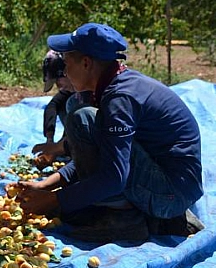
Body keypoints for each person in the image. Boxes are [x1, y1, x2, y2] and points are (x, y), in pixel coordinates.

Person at [13, 23, 204, 242]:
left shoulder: (120, 99)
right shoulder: (114, 86)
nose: (64, 72)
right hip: (166, 183)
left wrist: (54, 201)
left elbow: (114, 177)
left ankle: (124, 220)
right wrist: (48, 184)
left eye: (66, 63)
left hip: (170, 195)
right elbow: (108, 152)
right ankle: (128, 210)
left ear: (86, 63)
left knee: (81, 117)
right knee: (78, 109)